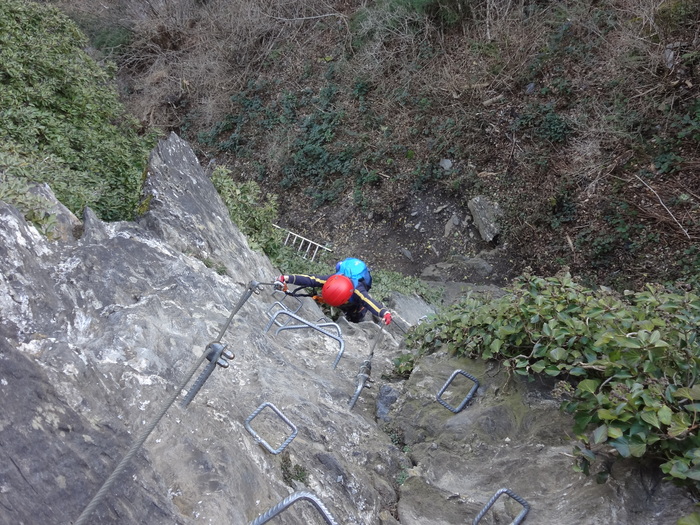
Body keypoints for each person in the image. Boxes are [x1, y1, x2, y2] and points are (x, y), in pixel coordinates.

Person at [276, 257, 392, 325]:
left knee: (356, 311)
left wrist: (384, 313)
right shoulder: (331, 280)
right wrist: (287, 278)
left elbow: (369, 301)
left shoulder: (358, 290)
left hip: (354, 296)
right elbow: (311, 279)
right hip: (344, 291)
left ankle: (355, 316)